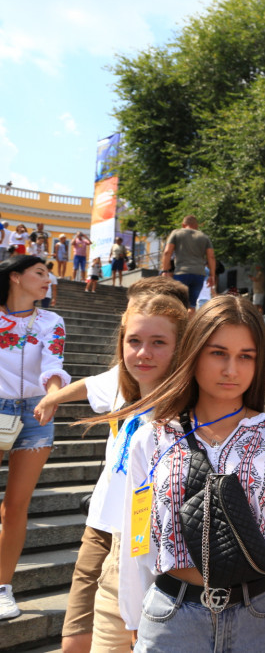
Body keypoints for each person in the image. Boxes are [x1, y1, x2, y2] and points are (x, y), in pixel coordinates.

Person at [103, 295, 265, 652]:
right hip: (172, 618)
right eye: (218, 353)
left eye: (246, 356)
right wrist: (134, 615)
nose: (231, 370)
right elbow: (139, 536)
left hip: (260, 618)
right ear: (194, 353)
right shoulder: (152, 438)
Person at [37, 282, 189, 653]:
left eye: (158, 342)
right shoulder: (124, 380)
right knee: (75, 640)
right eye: (134, 339)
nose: (143, 352)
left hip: (146, 540)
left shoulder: (189, 404)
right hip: (102, 525)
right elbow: (88, 385)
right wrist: (52, 398)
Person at [0, 255, 70, 620]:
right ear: (15, 277)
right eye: (39, 273)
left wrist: (52, 396)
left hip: (36, 413)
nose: (48, 279)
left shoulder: (51, 321)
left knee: (15, 507)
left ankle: (2, 588)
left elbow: (52, 365)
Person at [160, 215, 216, 311]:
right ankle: (189, 320)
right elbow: (211, 257)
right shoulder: (204, 237)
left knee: (178, 304)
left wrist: (165, 271)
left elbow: (167, 252)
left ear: (183, 225)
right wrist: (212, 275)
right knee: (192, 306)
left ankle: (179, 321)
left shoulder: (176, 233)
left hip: (181, 273)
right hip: (199, 274)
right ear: (196, 225)